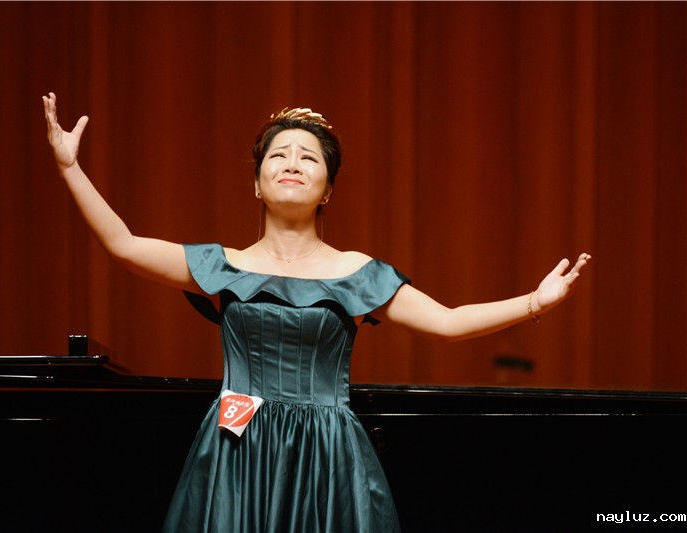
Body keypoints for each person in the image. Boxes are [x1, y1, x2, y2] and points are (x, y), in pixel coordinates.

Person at [42, 92, 591, 532]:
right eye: (278, 155)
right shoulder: (222, 265)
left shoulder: (357, 272)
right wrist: (70, 167)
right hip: (237, 447)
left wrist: (533, 303)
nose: (292, 163)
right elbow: (123, 244)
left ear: (328, 189)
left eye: (309, 158)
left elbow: (446, 323)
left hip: (327, 452)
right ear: (256, 183)